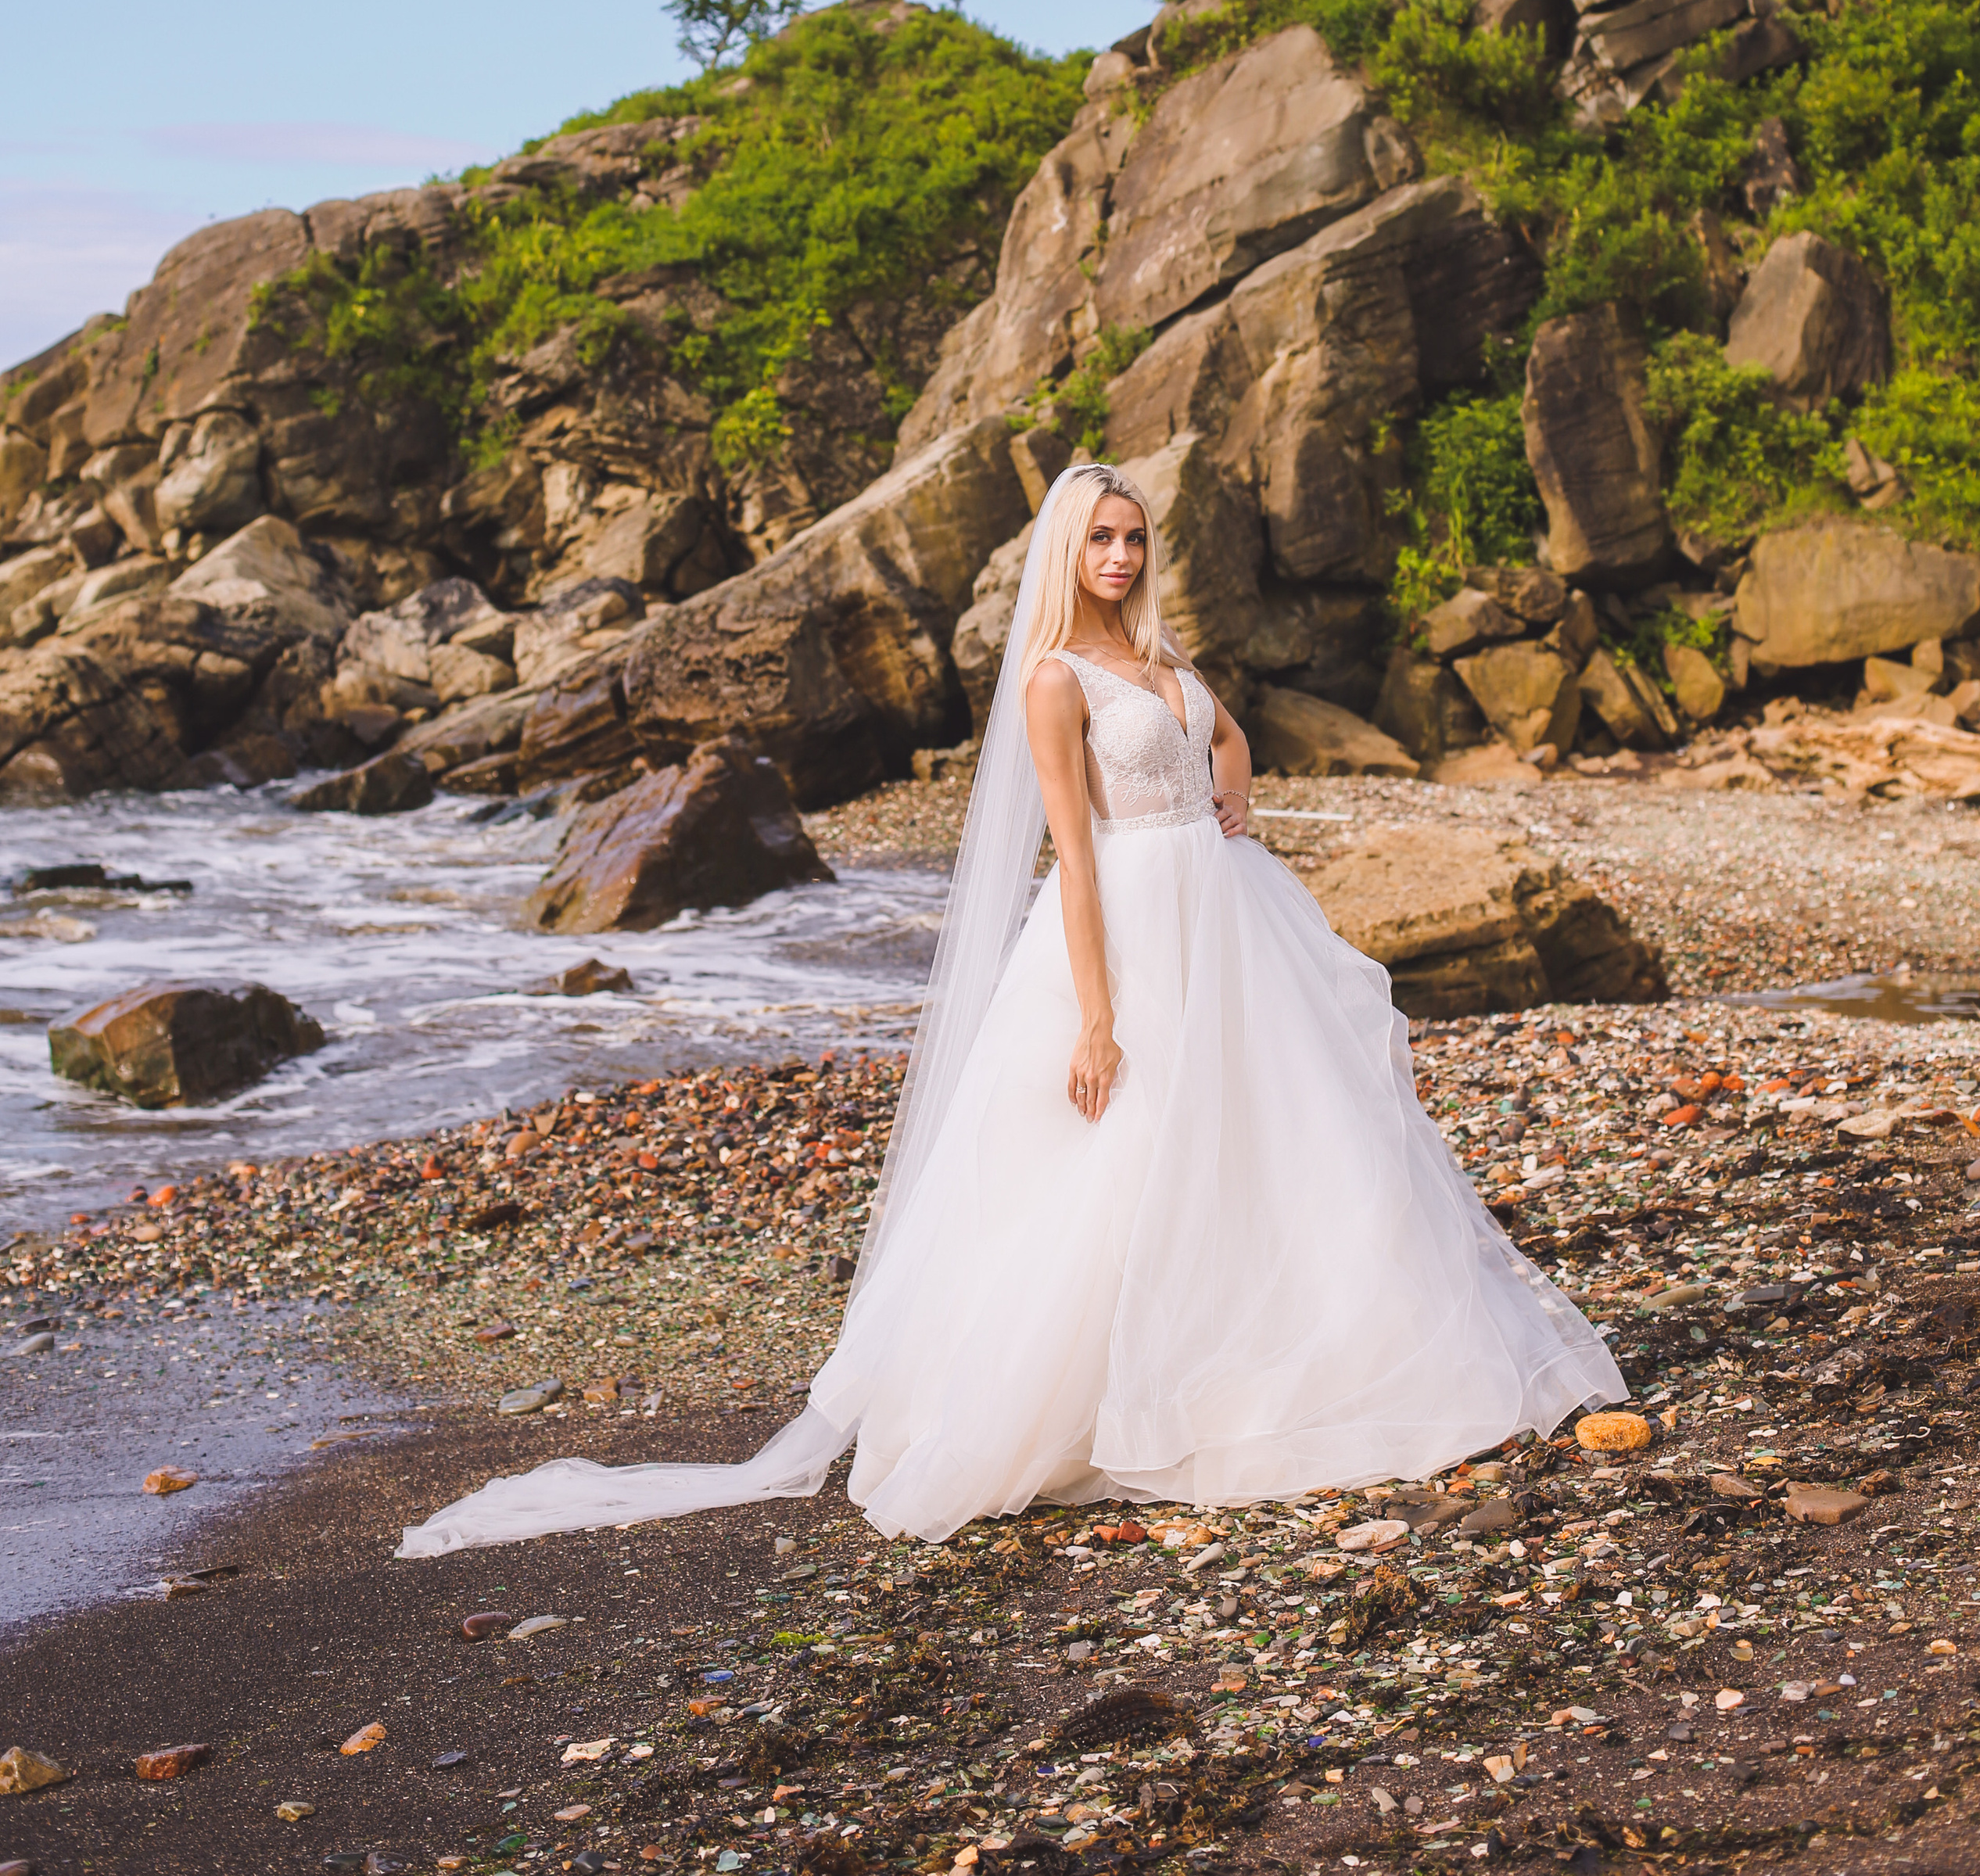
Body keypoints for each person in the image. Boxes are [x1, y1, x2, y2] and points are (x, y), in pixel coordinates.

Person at [400, 463, 1623, 1558]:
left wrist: (1232, 793)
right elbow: (1077, 860)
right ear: (1064, 554)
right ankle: (1111, 1401)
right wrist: (1097, 1018)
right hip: (1136, 920)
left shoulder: (1165, 657)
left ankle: (1313, 1359)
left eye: (1135, 537)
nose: (1122, 558)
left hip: (1232, 909)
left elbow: (1228, 735)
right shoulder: (1057, 679)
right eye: (1100, 540)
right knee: (1128, 1156)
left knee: (1284, 1132)